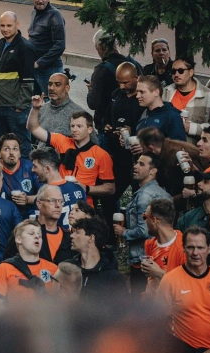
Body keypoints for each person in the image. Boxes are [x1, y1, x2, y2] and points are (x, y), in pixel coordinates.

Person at [113, 152, 171, 292]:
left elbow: (144, 230)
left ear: (153, 171)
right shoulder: (163, 192)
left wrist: (124, 232)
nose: (135, 166)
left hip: (142, 260)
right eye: (136, 163)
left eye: (141, 164)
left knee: (140, 302)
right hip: (161, 256)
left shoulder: (144, 195)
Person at [0, 11, 36, 156]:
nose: (5, 29)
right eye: (2, 25)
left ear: (17, 24)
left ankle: (25, 176)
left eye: (9, 25)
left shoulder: (25, 47)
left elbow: (28, 79)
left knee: (21, 145)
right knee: (0, 146)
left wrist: (20, 106)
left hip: (14, 109)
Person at [0, 220, 57, 309]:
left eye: (40, 235)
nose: (37, 236)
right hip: (16, 321)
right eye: (31, 233)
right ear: (18, 239)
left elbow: (62, 304)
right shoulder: (5, 267)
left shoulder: (53, 268)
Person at [164, 56, 210, 143]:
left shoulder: (209, 97)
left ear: (191, 72)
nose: (176, 74)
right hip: (167, 149)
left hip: (194, 152)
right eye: (173, 71)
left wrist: (191, 128)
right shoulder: (165, 93)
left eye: (180, 71)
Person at [68, 216, 124, 299]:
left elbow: (123, 309)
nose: (72, 236)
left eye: (77, 232)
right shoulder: (67, 269)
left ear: (91, 238)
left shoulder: (112, 277)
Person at [27, 0, 66, 91]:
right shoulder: (34, 12)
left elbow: (60, 45)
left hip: (50, 69)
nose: (40, 1)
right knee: (35, 101)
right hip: (35, 67)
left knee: (51, 102)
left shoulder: (55, 15)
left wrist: (39, 63)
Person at [136, 74, 188, 141]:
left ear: (156, 92)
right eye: (137, 92)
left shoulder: (172, 115)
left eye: (142, 92)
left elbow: (180, 146)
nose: (137, 96)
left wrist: (148, 147)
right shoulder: (145, 112)